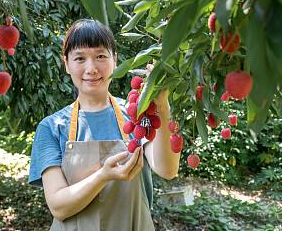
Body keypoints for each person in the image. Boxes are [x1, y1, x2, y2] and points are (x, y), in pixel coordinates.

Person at [28, 19, 181, 230]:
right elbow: (58, 207)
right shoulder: (52, 127)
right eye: (80, 58)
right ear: (66, 64)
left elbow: (167, 170)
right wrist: (103, 176)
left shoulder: (136, 114)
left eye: (100, 56)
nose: (91, 69)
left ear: (115, 60)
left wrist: (162, 108)